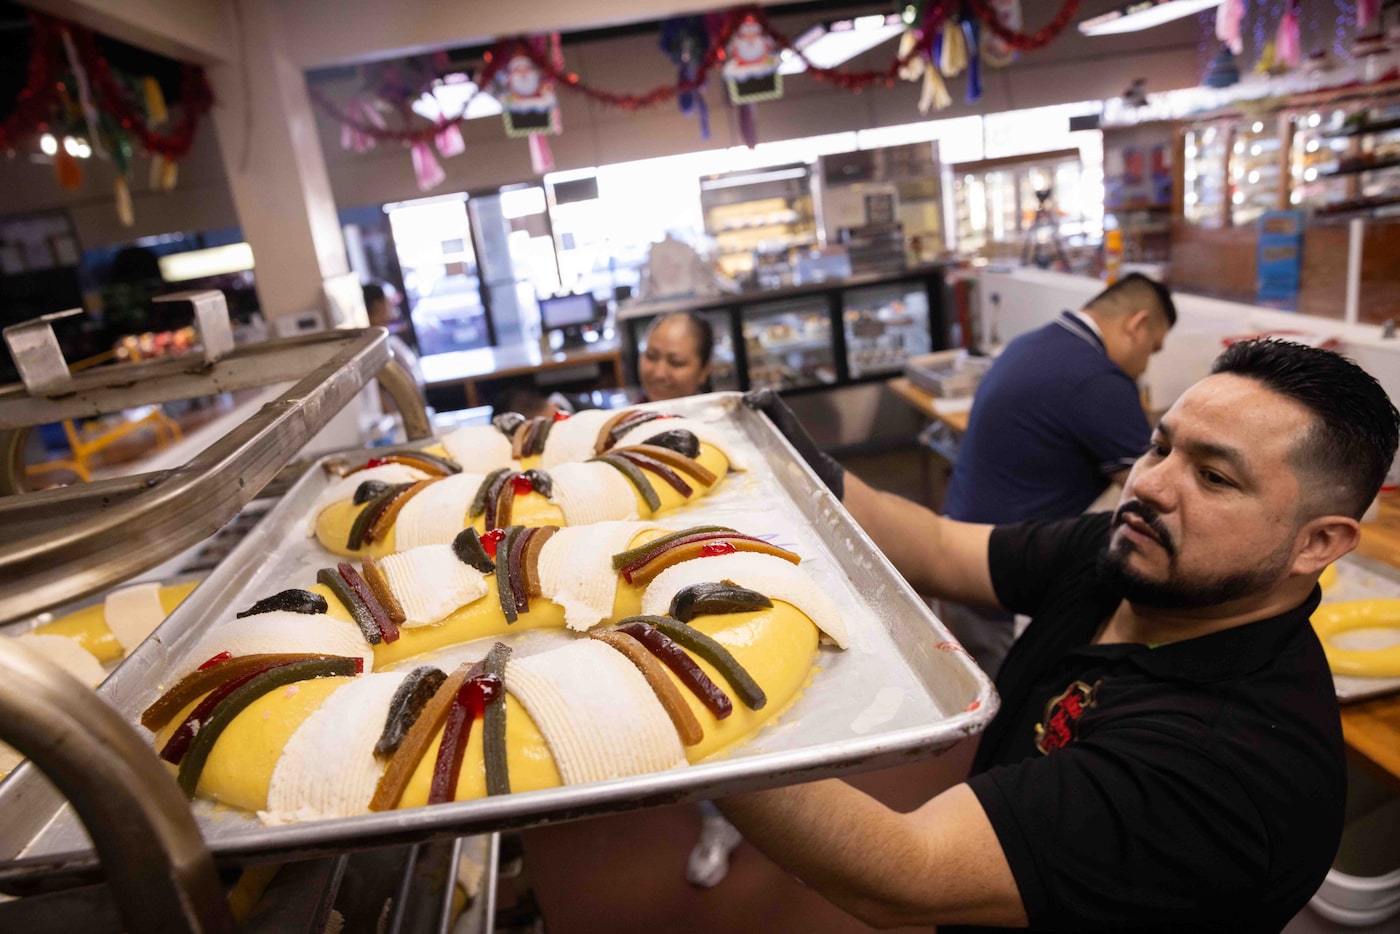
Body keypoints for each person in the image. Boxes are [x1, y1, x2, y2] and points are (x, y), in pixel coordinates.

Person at [736, 339, 1399, 932]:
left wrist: (700, 702)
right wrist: (798, 462)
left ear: (1317, 543)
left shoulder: (1223, 764)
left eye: (1215, 477)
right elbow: (940, 548)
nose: (1149, 485)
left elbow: (907, 872)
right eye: (1161, 446)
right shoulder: (1134, 555)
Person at [941, 273, 1177, 676]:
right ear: (1136, 325)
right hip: (1005, 579)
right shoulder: (1097, 379)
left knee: (971, 686)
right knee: (1009, 703)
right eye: (1152, 350)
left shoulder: (1033, 343)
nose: (1145, 365)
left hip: (959, 550)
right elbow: (1154, 488)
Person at [638, 312, 714, 403]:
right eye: (651, 356)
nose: (659, 374)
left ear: (704, 371)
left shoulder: (718, 415)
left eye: (676, 362)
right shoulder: (626, 415)